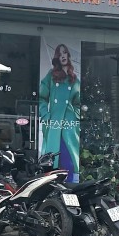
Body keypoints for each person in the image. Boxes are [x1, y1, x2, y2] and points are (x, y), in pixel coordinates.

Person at [37, 43, 81, 180]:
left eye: (64, 52)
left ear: (68, 55)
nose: (62, 56)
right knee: (53, 158)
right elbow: (42, 98)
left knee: (69, 159)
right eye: (59, 54)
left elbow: (78, 102)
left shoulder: (74, 79)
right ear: (57, 57)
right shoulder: (51, 76)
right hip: (54, 123)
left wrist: (76, 116)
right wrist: (46, 116)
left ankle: (71, 186)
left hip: (69, 124)